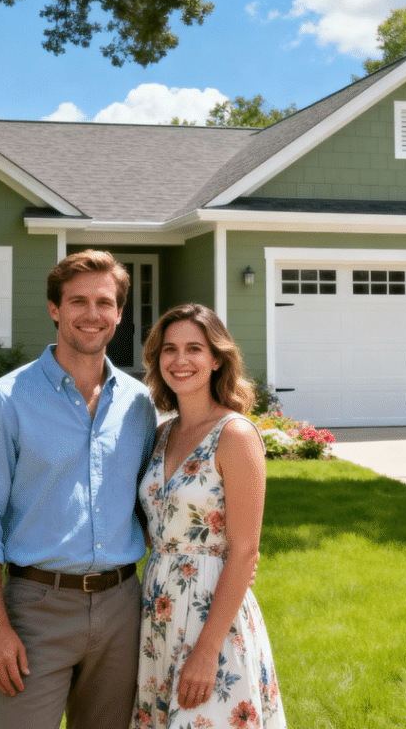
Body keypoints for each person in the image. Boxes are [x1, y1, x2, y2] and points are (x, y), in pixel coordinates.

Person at [0, 249, 157, 729]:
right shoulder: (4, 401)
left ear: (119, 313)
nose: (92, 314)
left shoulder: (139, 404)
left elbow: (152, 504)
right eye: (78, 301)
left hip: (123, 606)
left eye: (104, 302)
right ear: (54, 309)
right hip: (37, 608)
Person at [132, 303, 287, 729]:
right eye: (169, 349)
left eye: (194, 349)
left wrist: (206, 650)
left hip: (212, 616)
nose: (180, 360)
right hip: (158, 611)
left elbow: (245, 551)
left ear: (217, 359)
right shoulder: (162, 434)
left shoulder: (235, 435)